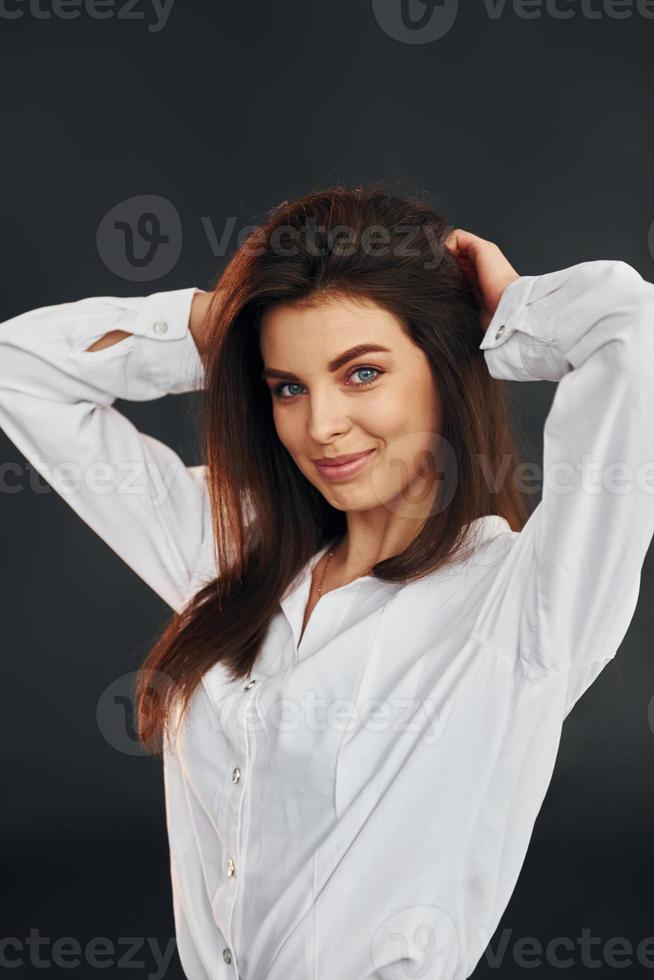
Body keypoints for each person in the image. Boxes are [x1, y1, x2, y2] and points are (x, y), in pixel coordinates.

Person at [1, 184, 653, 980]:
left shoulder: (523, 605)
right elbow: (16, 373)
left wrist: (511, 311)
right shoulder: (236, 552)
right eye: (288, 386)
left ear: (445, 363)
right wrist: (214, 323)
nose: (321, 426)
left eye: (363, 373)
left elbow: (635, 328)